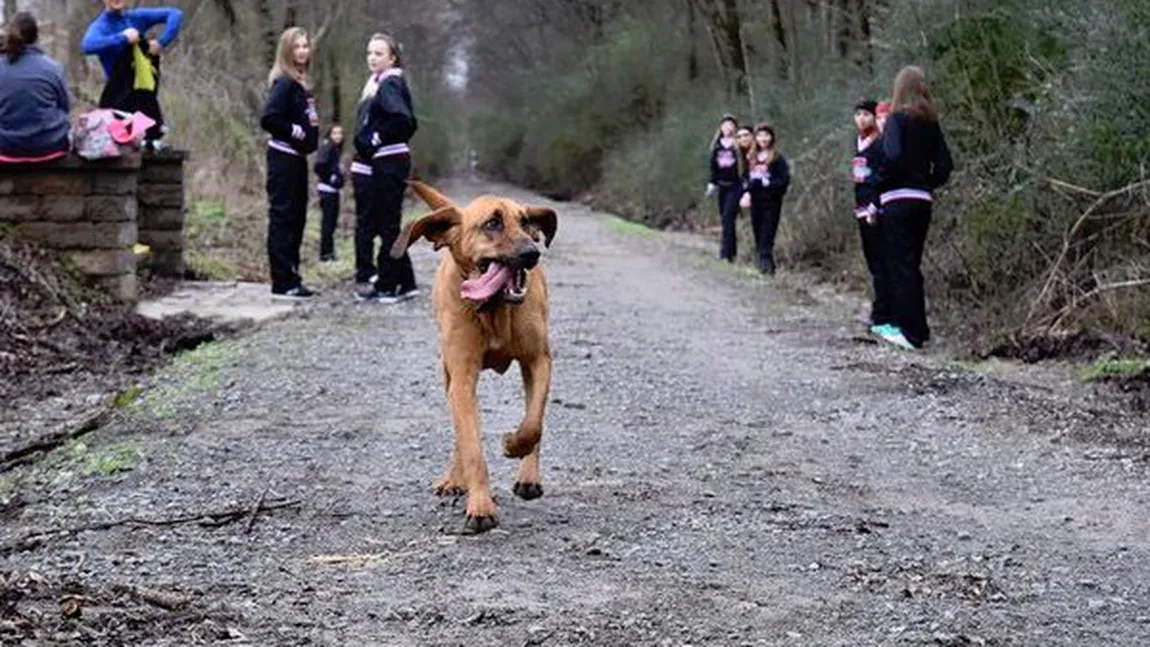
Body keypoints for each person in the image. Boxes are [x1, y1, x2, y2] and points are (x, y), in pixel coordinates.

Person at [873, 66, 953, 350]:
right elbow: (945, 165)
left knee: (900, 264)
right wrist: (926, 183)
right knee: (912, 264)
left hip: (897, 199)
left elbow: (892, 155)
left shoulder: (897, 120)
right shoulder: (931, 123)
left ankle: (909, 332)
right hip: (922, 201)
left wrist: (882, 180)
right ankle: (919, 328)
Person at [355, 33, 419, 304]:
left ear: (392, 58)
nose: (372, 58)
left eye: (379, 53)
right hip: (386, 161)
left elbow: (404, 120)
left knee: (388, 225)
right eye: (369, 52)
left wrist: (376, 138)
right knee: (388, 223)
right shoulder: (378, 83)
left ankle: (388, 285)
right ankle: (405, 282)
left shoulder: (390, 82)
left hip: (390, 159)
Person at [260, 27, 320, 299]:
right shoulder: (284, 83)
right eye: (297, 47)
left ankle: (293, 276)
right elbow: (270, 118)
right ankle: (282, 280)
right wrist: (296, 131)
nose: (302, 51)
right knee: (283, 218)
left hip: (297, 161)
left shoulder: (301, 84)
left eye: (305, 46)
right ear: (286, 51)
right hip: (283, 159)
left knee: (297, 219)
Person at [81, 0, 183, 147]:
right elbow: (87, 46)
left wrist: (161, 43)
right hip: (118, 102)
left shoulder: (136, 18)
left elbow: (175, 14)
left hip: (144, 99)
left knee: (149, 148)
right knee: (125, 150)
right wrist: (123, 38)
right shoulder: (101, 25)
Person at [0, 13, 70, 163]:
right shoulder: (52, 68)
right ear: (36, 37)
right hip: (51, 144)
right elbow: (65, 106)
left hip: (6, 147)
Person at [851, 99, 889, 327]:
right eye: (858, 114)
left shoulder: (881, 143)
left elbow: (883, 176)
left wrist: (875, 204)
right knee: (872, 261)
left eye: (866, 114)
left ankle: (882, 313)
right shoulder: (857, 142)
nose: (861, 119)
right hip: (861, 207)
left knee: (881, 262)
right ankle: (879, 308)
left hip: (877, 208)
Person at [744, 123, 790, 274]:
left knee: (768, 233)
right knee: (758, 233)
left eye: (766, 135)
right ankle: (763, 265)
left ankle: (766, 266)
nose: (763, 139)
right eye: (760, 135)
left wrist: (768, 183)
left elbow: (784, 180)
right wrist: (747, 192)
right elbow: (746, 179)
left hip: (772, 201)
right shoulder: (751, 158)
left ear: (772, 138)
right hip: (756, 201)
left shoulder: (777, 158)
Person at [707, 114, 743, 262]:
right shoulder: (716, 146)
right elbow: (713, 168)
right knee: (725, 220)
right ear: (721, 127)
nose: (728, 128)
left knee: (728, 217)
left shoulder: (738, 146)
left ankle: (725, 253)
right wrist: (712, 183)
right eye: (725, 125)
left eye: (731, 125)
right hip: (722, 186)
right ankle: (731, 251)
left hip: (735, 186)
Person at [314, 124, 345, 262]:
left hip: (333, 190)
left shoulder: (335, 149)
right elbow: (319, 165)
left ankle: (330, 252)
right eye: (335, 133)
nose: (338, 136)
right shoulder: (327, 147)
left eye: (340, 133)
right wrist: (331, 178)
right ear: (329, 134)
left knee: (331, 223)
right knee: (328, 223)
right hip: (327, 190)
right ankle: (325, 254)